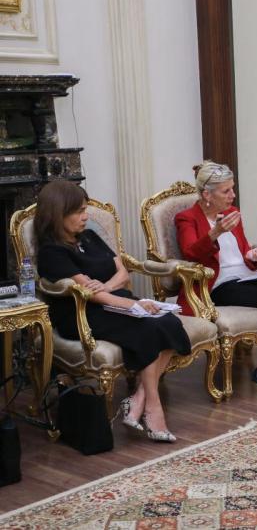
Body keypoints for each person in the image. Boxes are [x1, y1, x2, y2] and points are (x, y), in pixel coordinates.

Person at [35, 180, 190, 443]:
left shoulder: (90, 237)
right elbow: (89, 294)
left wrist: (108, 287)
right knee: (150, 328)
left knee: (169, 322)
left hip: (113, 302)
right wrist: (134, 305)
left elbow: (123, 273)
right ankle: (153, 408)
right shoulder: (52, 252)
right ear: (57, 213)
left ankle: (137, 400)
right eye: (78, 211)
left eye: (85, 209)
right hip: (82, 315)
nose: (85, 216)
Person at [175, 160, 257, 407]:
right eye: (226, 191)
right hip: (217, 287)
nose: (232, 195)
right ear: (207, 194)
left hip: (244, 279)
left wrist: (255, 256)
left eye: (233, 188)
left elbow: (243, 253)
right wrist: (215, 232)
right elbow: (190, 252)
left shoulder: (232, 213)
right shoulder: (187, 218)